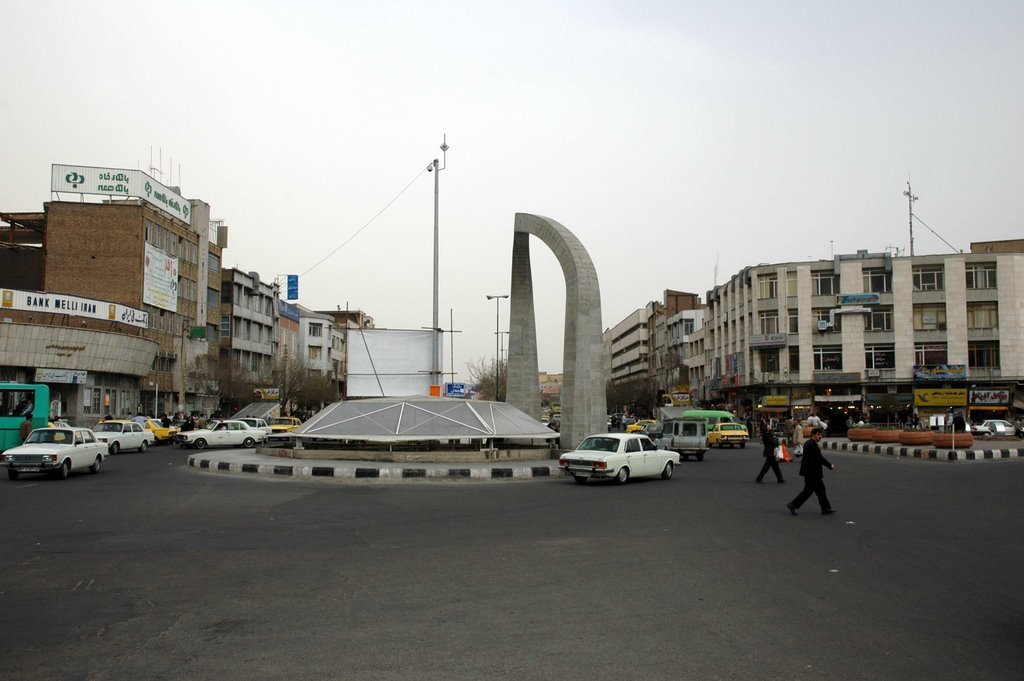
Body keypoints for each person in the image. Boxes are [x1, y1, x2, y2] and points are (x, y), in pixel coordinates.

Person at [787, 427, 835, 516]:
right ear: (813, 435)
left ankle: (825, 508)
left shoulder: (809, 443)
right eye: (818, 435)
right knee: (808, 491)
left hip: (811, 472)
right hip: (812, 473)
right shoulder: (812, 444)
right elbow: (819, 458)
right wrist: (830, 465)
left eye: (821, 435)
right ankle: (793, 505)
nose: (820, 437)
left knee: (820, 490)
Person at [755, 419, 786, 484]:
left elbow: (772, 438)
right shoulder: (766, 435)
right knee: (769, 467)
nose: (769, 426)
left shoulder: (766, 434)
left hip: (770, 452)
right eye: (767, 426)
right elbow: (772, 441)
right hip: (770, 452)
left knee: (774, 466)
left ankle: (779, 479)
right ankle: (759, 478)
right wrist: (777, 443)